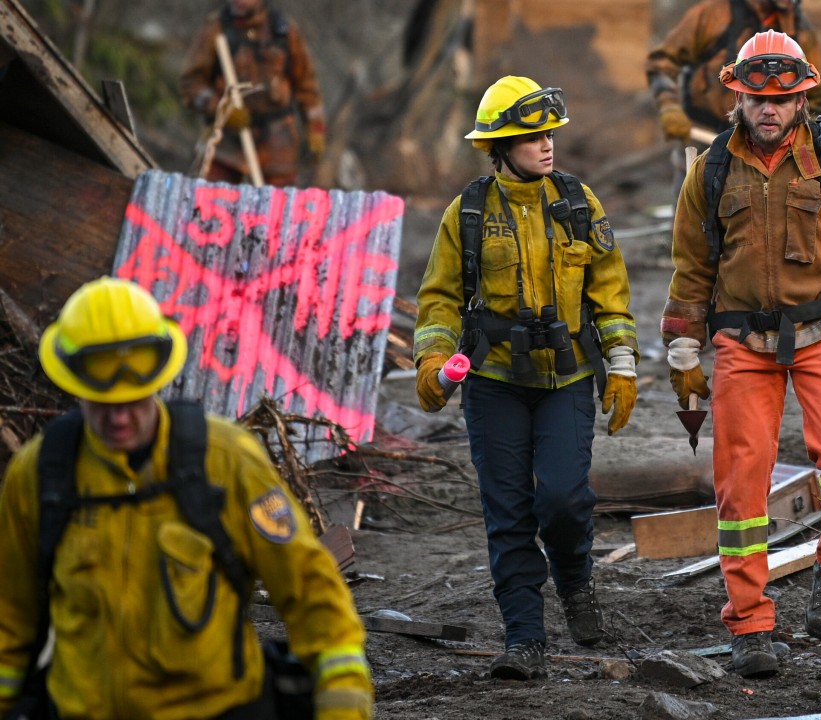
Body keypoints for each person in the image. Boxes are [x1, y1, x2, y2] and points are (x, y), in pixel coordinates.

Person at [0, 277, 372, 719]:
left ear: (158, 377)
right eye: (103, 402)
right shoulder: (39, 477)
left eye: (134, 399)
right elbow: (9, 618)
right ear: (74, 385)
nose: (119, 417)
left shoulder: (225, 462)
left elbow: (310, 591)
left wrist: (343, 700)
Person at [662, 30, 821, 678]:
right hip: (742, 345)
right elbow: (691, 271)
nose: (768, 110)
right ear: (737, 97)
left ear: (803, 98)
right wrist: (683, 349)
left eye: (781, 99)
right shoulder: (709, 170)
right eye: (755, 98)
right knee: (741, 486)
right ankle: (749, 622)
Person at [414, 76, 639, 681]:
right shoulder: (467, 213)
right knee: (508, 510)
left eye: (548, 134)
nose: (546, 145)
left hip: (565, 378)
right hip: (492, 381)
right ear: (501, 145)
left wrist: (620, 365)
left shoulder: (578, 201)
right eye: (531, 135)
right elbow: (437, 301)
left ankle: (575, 584)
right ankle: (525, 639)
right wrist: (433, 363)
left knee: (564, 499)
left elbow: (610, 294)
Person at [180, 0, 325, 187]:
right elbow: (191, 84)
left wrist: (316, 130)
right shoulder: (216, 30)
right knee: (211, 201)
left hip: (278, 143)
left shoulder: (284, 32)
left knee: (279, 206)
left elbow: (307, 87)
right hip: (227, 145)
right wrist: (221, 110)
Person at [646, 0, 821, 140]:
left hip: (769, 147)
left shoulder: (798, 27)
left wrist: (812, 136)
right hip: (705, 137)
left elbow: (816, 94)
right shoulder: (713, 14)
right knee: (694, 188)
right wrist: (669, 106)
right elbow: (662, 62)